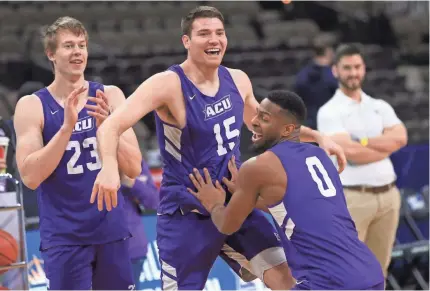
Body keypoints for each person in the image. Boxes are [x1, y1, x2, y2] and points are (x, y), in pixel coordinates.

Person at [91, 6, 346, 290]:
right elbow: (110, 126)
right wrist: (110, 168)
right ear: (186, 41)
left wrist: (317, 137)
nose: (214, 39)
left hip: (234, 203)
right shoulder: (167, 84)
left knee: (288, 280)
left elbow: (264, 124)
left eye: (219, 33)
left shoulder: (237, 79)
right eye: (204, 33)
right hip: (187, 214)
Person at [187, 90, 385, 290]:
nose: (253, 121)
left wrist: (214, 204)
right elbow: (299, 206)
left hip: (328, 283)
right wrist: (251, 197)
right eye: (256, 113)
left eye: (264, 118)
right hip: (369, 273)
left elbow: (227, 225)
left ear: (287, 129)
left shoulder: (258, 166)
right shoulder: (320, 155)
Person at [13, 16, 142, 290]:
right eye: (68, 46)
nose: (77, 52)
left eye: (82, 45)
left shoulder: (110, 95)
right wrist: (66, 128)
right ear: (50, 54)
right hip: (65, 236)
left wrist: (108, 127)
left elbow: (134, 167)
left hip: (111, 231)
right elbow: (30, 177)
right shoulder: (32, 105)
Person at [317, 43, 407, 278]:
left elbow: (401, 137)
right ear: (335, 70)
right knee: (348, 269)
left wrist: (364, 142)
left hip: (389, 197)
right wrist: (384, 147)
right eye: (347, 68)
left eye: (357, 67)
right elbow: (348, 152)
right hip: (353, 198)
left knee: (380, 270)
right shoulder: (329, 111)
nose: (353, 73)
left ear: (364, 69)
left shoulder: (380, 106)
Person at [120, 159, 159, 288]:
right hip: (99, 248)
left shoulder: (136, 161)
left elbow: (154, 202)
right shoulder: (91, 161)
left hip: (133, 248)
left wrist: (131, 183)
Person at [294, 41, 338, 129]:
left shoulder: (302, 74)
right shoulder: (334, 75)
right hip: (330, 125)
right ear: (329, 52)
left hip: (308, 124)